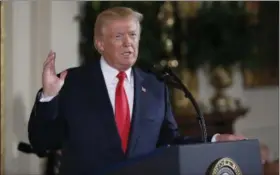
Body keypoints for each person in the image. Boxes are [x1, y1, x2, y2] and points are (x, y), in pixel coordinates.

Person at [28, 7, 247, 175]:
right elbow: (42, 143)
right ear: (100, 44)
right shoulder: (72, 83)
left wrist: (215, 141)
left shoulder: (155, 86)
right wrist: (49, 98)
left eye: (132, 35)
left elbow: (169, 142)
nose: (128, 43)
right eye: (118, 36)